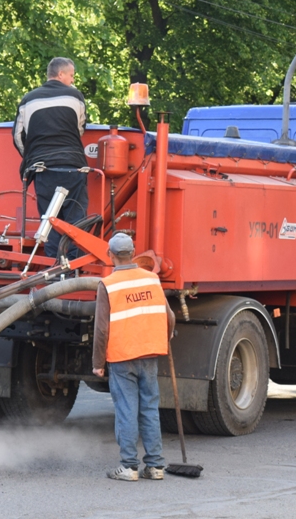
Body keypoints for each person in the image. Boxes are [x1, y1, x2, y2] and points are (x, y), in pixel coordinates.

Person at [91, 233, 175, 481]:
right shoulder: (152, 279)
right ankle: (156, 466)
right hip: (149, 353)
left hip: (122, 357)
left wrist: (97, 363)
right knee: (149, 407)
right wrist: (166, 338)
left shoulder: (108, 284)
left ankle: (129, 466)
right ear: (133, 252)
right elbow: (168, 316)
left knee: (127, 410)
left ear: (111, 255)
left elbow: (102, 329)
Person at [13, 56, 89, 260]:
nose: (73, 80)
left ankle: (53, 268)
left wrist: (33, 158)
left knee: (50, 219)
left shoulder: (28, 99)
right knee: (76, 218)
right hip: (73, 167)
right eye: (71, 75)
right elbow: (80, 128)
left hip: (43, 169)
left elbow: (19, 137)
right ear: (61, 74)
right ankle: (74, 267)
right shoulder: (75, 97)